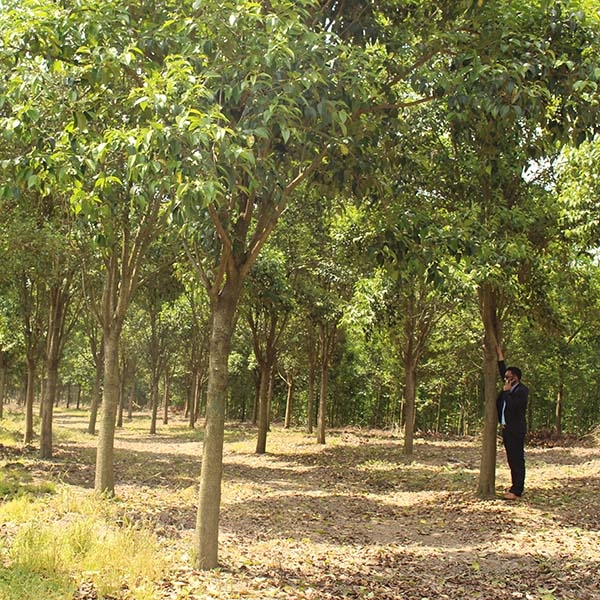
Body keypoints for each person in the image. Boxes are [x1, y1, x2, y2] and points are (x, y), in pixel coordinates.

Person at [496, 346, 528, 500]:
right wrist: (500, 355)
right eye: (505, 377)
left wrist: (507, 392)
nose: (506, 379)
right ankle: (514, 486)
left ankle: (517, 490)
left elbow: (515, 407)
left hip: (516, 430)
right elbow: (502, 370)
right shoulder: (508, 385)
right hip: (506, 429)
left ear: (516, 378)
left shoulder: (522, 390)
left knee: (517, 460)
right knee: (511, 459)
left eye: (509, 377)